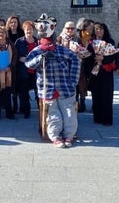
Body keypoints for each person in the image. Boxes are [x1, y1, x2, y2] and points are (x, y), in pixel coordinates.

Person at [25, 13, 80, 148]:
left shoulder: (61, 50)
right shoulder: (37, 51)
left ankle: (69, 135)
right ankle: (55, 136)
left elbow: (75, 59)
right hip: (47, 88)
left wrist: (73, 80)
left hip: (65, 87)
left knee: (69, 113)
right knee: (53, 113)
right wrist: (40, 58)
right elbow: (28, 63)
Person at [89, 22, 117, 126]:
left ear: (104, 31)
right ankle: (97, 117)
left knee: (107, 95)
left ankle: (107, 119)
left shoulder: (110, 41)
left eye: (101, 29)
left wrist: (103, 58)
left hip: (106, 71)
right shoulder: (91, 42)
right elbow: (87, 55)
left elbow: (113, 55)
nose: (98, 31)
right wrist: (94, 57)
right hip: (95, 71)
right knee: (96, 94)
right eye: (96, 29)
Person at [14, 20, 38, 119]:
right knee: (24, 92)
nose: (29, 31)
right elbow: (15, 55)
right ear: (24, 30)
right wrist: (21, 58)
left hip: (36, 71)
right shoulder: (19, 42)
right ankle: (26, 111)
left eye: (31, 29)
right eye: (27, 29)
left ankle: (41, 109)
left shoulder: (37, 41)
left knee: (38, 92)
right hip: (23, 71)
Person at [75, 17, 95, 113]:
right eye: (90, 27)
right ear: (83, 27)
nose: (92, 29)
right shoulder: (77, 38)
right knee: (77, 85)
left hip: (88, 65)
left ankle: (83, 101)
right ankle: (77, 103)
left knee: (84, 84)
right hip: (77, 65)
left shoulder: (92, 39)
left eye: (92, 27)